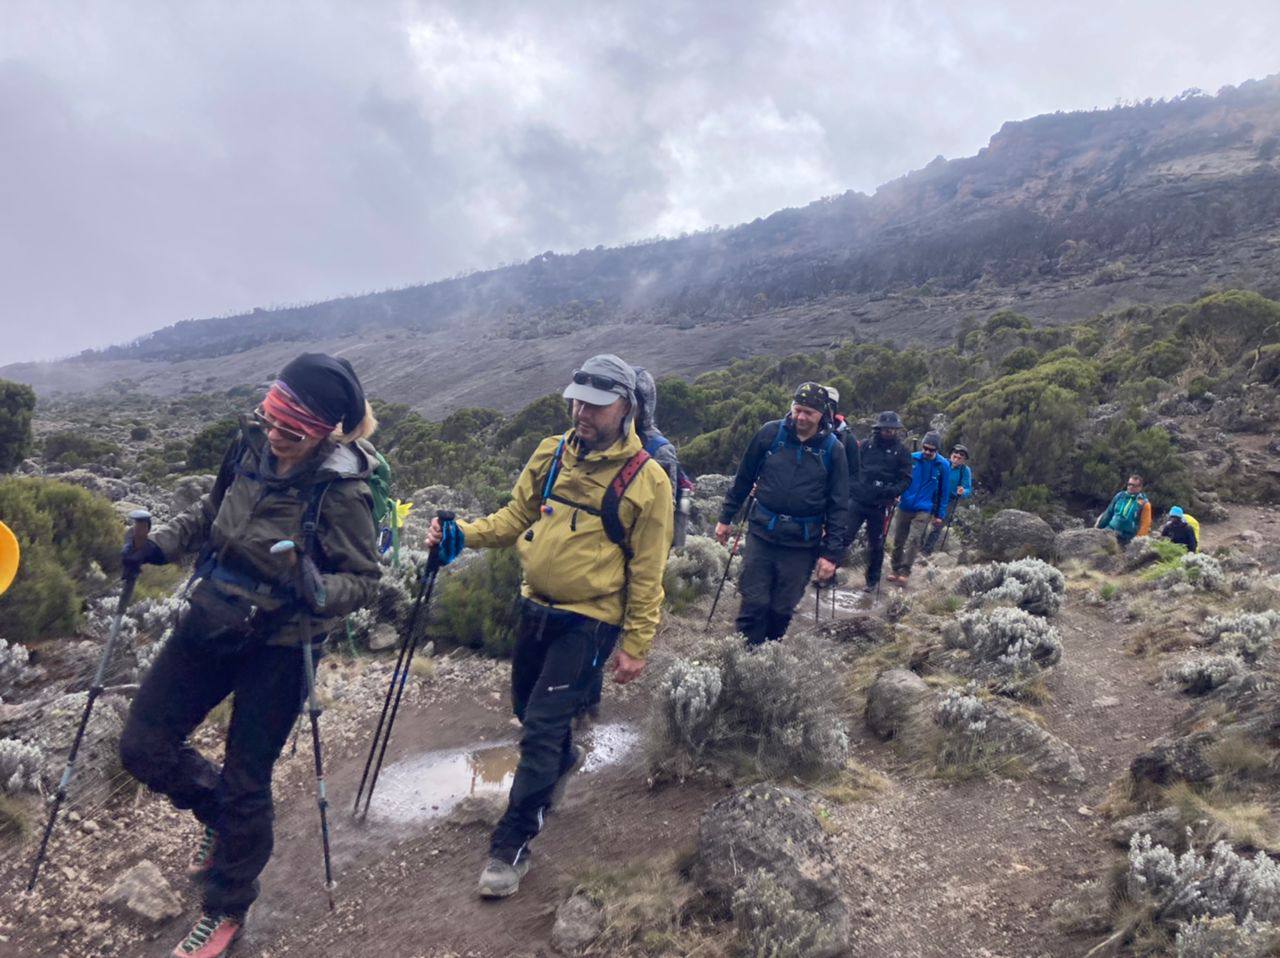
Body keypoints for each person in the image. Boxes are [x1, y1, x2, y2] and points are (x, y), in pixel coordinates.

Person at [118, 354, 382, 958]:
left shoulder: (341, 491)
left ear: (325, 433)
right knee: (143, 747)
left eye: (291, 432)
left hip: (281, 646)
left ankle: (227, 908)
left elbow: (365, 580)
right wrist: (158, 547)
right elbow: (211, 513)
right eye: (270, 421)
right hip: (212, 618)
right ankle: (224, 821)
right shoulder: (248, 448)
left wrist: (317, 588)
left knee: (247, 780)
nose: (276, 438)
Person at [424, 354, 672, 900]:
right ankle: (561, 759)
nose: (582, 412)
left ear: (626, 408)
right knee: (527, 712)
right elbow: (515, 517)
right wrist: (460, 535)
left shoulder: (650, 482)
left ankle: (510, 846)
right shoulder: (551, 453)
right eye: (578, 400)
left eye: (597, 405)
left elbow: (648, 572)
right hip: (534, 606)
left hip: (591, 620)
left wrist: (636, 645)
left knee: (538, 729)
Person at [714, 382, 849, 644]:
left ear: (822, 413)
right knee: (754, 601)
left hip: (802, 543)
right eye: (797, 409)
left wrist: (831, 554)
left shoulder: (834, 450)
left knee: (782, 609)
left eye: (808, 412)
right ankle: (744, 658)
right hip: (762, 532)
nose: (801, 416)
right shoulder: (769, 434)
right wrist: (725, 517)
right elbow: (744, 478)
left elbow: (838, 504)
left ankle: (769, 655)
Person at [846, 411, 913, 593]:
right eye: (885, 429)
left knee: (876, 545)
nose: (888, 432)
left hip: (881, 506)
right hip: (858, 501)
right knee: (844, 536)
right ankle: (828, 573)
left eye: (892, 429)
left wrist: (891, 492)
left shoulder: (902, 452)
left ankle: (872, 581)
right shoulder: (866, 446)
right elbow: (853, 468)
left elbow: (906, 478)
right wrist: (854, 488)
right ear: (879, 429)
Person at [887, 430, 951, 585]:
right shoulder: (912, 458)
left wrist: (939, 515)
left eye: (931, 450)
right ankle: (895, 568)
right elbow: (899, 478)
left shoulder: (943, 465)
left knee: (914, 539)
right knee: (898, 540)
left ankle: (905, 571)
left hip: (924, 507)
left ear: (937, 450)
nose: (927, 452)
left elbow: (944, 492)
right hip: (905, 504)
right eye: (925, 448)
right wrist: (895, 494)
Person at [923, 443, 973, 555]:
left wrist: (962, 492)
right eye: (954, 456)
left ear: (964, 460)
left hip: (949, 500)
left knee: (937, 526)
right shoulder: (942, 463)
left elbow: (968, 488)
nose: (956, 459)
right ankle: (916, 546)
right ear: (951, 455)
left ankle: (926, 551)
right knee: (923, 520)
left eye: (960, 458)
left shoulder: (965, 471)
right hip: (932, 496)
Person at [1096, 473, 1152, 547]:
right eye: (1129, 484)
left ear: (1140, 487)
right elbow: (1108, 513)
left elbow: (1145, 525)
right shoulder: (1119, 496)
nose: (1130, 487)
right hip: (1111, 530)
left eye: (1134, 485)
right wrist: (1098, 529)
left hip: (1127, 537)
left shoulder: (1144, 504)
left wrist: (1137, 543)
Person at [823, 384, 861, 483]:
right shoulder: (803, 432)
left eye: (830, 406)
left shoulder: (847, 438)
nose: (825, 411)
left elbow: (854, 474)